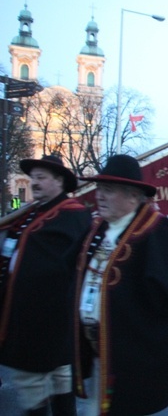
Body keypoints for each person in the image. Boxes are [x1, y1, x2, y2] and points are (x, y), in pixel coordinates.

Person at [72, 155, 168, 415]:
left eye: (108, 191)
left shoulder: (155, 231)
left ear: (132, 196)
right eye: (99, 189)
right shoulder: (98, 228)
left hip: (134, 356)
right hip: (99, 351)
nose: (99, 196)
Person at [0, 155, 91, 416]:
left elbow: (72, 268)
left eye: (41, 178)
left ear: (59, 181)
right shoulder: (32, 212)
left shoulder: (73, 215)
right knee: (52, 380)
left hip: (48, 321)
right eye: (33, 177)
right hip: (28, 318)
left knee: (40, 383)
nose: (35, 183)